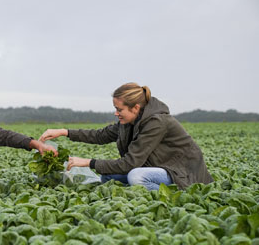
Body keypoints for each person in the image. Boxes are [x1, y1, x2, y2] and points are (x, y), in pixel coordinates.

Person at [39, 82, 214, 191]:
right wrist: (64, 132)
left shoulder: (157, 122)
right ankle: (138, 192)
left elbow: (130, 163)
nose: (116, 113)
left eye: (119, 109)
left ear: (135, 108)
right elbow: (100, 135)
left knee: (136, 177)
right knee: (108, 177)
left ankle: (177, 194)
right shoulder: (128, 123)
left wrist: (88, 162)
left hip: (184, 174)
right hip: (160, 168)